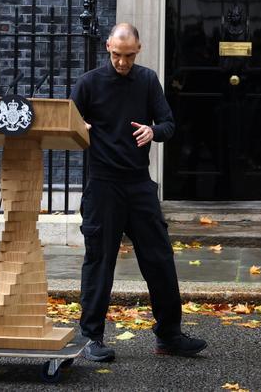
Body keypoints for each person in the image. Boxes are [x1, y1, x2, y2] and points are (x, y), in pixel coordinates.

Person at [71, 23, 207, 362]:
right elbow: (66, 123)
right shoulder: (89, 83)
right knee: (100, 261)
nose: (122, 63)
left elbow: (169, 124)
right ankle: (91, 337)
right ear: (107, 48)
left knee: (159, 258)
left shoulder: (146, 80)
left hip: (138, 183)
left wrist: (153, 130)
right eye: (117, 55)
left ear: (139, 49)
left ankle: (169, 335)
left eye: (129, 56)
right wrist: (79, 128)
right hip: (103, 185)